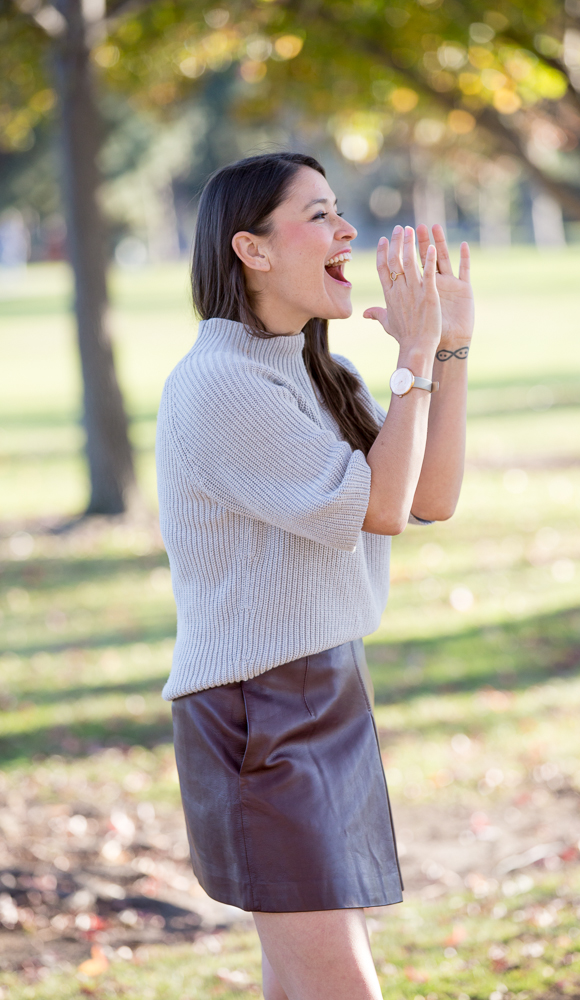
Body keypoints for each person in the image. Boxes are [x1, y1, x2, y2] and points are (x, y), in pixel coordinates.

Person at [156, 151, 474, 1000]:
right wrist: (411, 349)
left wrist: (448, 350)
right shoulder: (218, 384)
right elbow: (372, 509)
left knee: (303, 985)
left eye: (340, 210)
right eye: (318, 213)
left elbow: (426, 499)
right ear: (251, 251)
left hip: (329, 690)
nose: (346, 230)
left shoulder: (319, 370)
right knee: (340, 988)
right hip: (259, 711)